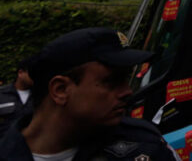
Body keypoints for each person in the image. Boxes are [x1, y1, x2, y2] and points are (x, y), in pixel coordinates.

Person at [0, 27, 177, 161]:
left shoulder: (144, 147)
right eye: (111, 81)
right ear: (60, 90)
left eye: (126, 79)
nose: (127, 91)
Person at [0, 59, 33, 140]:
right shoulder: (2, 94)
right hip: (5, 147)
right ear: (20, 73)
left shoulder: (40, 95)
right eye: (32, 73)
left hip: (32, 148)